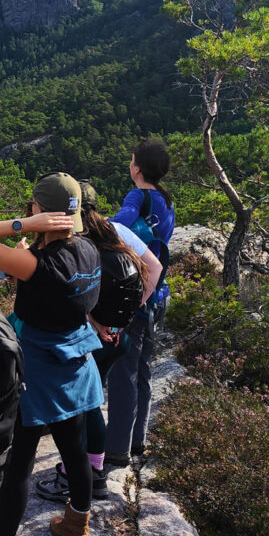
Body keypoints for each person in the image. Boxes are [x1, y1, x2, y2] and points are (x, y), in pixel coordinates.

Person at [0, 172, 102, 536]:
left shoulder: (37, 266)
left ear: (40, 210)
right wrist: (35, 241)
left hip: (37, 374)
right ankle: (78, 529)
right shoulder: (89, 251)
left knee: (20, 463)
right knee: (73, 449)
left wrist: (24, 227)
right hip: (75, 365)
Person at [35, 179, 161, 503]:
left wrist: (94, 320)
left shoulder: (77, 242)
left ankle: (77, 475)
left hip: (89, 338)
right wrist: (129, 314)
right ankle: (95, 472)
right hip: (119, 337)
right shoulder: (117, 232)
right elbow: (154, 267)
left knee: (83, 408)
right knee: (92, 404)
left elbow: (71, 293)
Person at [105, 139, 175, 466]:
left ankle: (115, 450)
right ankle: (137, 441)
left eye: (132, 159)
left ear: (137, 168)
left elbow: (118, 226)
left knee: (123, 372)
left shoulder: (138, 195)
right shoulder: (165, 201)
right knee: (143, 370)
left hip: (137, 294)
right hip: (159, 293)